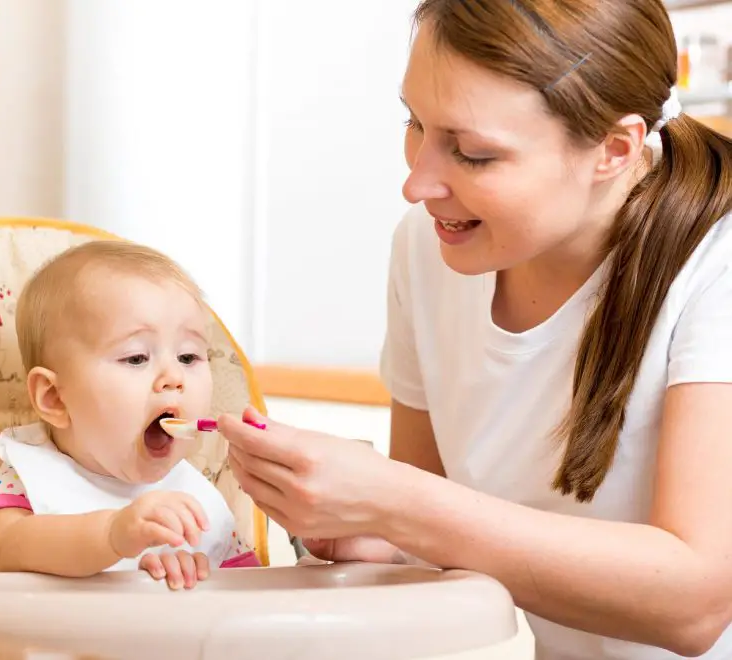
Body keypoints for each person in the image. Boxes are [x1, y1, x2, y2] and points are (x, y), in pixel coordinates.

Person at [218, 0, 732, 657]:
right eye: (415, 122)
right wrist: (360, 528)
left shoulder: (716, 264)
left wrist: (394, 503)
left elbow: (695, 604)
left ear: (616, 147)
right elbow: (429, 541)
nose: (416, 184)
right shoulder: (429, 250)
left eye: (474, 154)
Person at [0, 240, 259, 590]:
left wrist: (199, 578)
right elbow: (1, 548)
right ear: (55, 398)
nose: (174, 379)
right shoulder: (28, 479)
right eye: (136, 358)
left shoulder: (198, 496)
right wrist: (112, 535)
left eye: (188, 357)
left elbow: (246, 602)